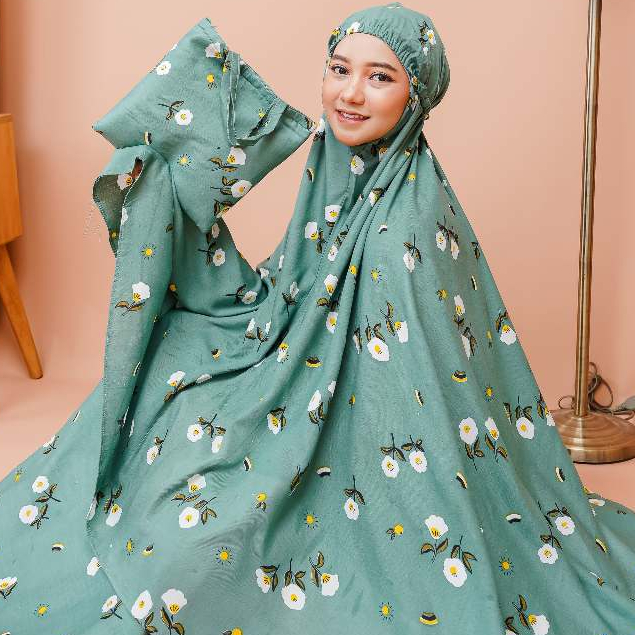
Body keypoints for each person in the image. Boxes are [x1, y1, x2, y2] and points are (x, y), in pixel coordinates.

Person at [2, 3, 635, 634]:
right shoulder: (338, 170)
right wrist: (172, 191)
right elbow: (292, 296)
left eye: (380, 77)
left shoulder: (400, 230)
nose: (350, 94)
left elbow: (399, 402)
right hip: (294, 377)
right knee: (175, 357)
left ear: (416, 96)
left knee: (194, 545)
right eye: (339, 69)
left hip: (353, 449)